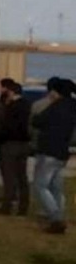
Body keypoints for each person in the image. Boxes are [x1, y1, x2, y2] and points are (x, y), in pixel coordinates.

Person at [31, 78, 76, 234]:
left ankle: (56, 218)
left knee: (40, 185)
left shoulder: (56, 106)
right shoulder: (72, 106)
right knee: (57, 187)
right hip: (63, 152)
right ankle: (58, 213)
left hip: (49, 150)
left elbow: (37, 121)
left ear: (56, 92)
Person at [0, 79, 31, 216]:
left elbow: (6, 126)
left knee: (9, 177)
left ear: (10, 91)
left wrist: (1, 139)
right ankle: (23, 206)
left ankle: (7, 206)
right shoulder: (27, 104)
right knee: (22, 177)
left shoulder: (11, 107)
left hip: (10, 144)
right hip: (24, 144)